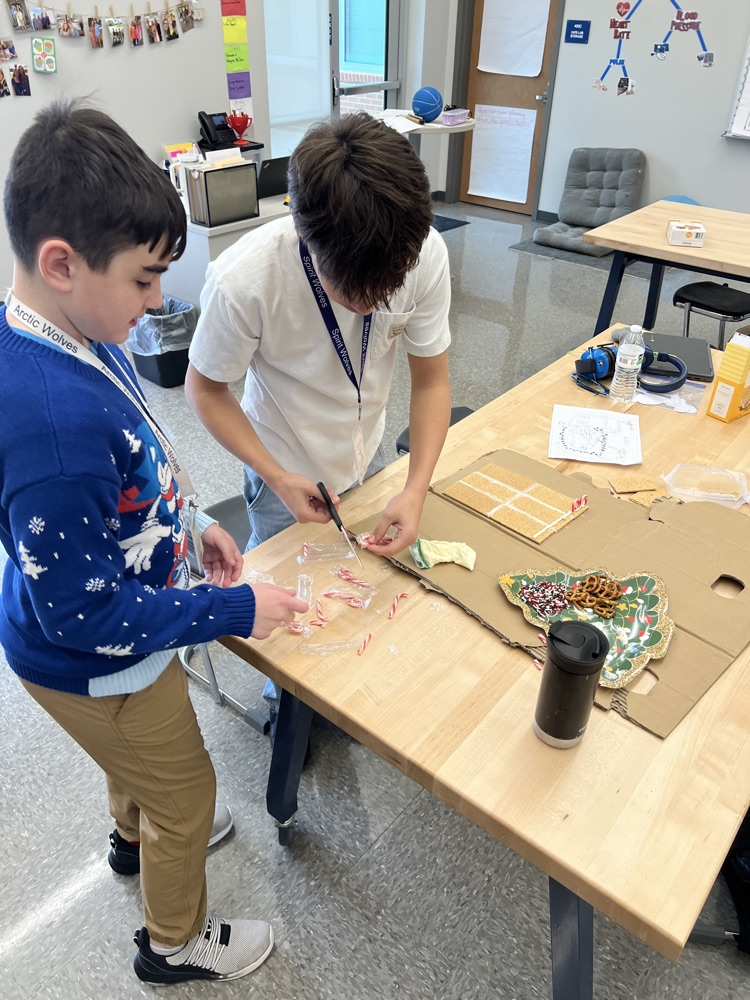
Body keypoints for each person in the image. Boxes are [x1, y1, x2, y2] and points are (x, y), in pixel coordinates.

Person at [0, 100, 307, 984]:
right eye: (142, 280)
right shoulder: (53, 428)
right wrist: (232, 609)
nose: (157, 299)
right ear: (62, 263)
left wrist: (199, 525)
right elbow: (91, 612)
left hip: (108, 642)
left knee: (135, 762)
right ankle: (174, 942)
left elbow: (136, 468)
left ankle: (135, 837)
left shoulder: (72, 329)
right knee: (191, 788)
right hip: (96, 661)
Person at [185, 112, 452, 733]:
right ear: (306, 237)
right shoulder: (246, 279)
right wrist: (276, 475)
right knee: (287, 596)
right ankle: (287, 702)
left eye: (385, 291)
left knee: (357, 584)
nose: (371, 305)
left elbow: (432, 380)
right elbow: (205, 388)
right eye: (354, 293)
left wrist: (414, 488)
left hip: (367, 450)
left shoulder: (422, 251)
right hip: (281, 457)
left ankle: (337, 694)